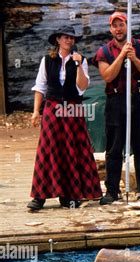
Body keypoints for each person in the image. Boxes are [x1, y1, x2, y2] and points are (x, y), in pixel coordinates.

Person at [28, 25, 102, 211]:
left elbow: (82, 86)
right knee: (48, 150)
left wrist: (78, 65)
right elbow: (40, 87)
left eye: (72, 38)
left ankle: (68, 195)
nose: (69, 40)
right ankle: (40, 196)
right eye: (65, 37)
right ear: (58, 40)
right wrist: (36, 111)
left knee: (71, 150)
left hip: (72, 108)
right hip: (52, 108)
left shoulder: (81, 60)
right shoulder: (47, 60)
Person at [93, 12, 140, 205]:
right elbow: (107, 75)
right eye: (114, 26)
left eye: (121, 25)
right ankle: (112, 191)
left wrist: (134, 59)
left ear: (127, 25)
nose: (118, 29)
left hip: (137, 98)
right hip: (115, 100)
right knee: (114, 147)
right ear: (110, 29)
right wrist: (122, 56)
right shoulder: (105, 51)